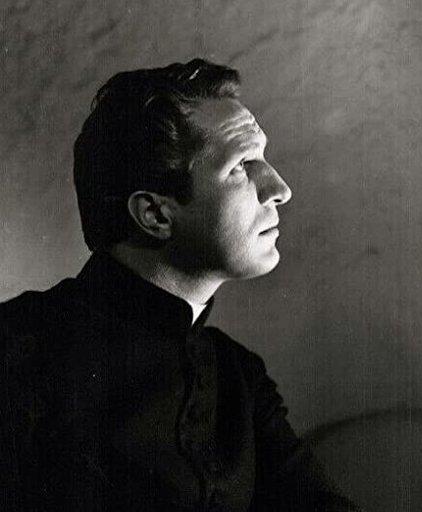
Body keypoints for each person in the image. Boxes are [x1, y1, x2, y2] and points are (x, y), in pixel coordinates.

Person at [0, 59, 359, 511]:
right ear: (155, 214)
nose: (279, 188)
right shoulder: (17, 349)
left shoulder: (238, 376)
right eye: (242, 165)